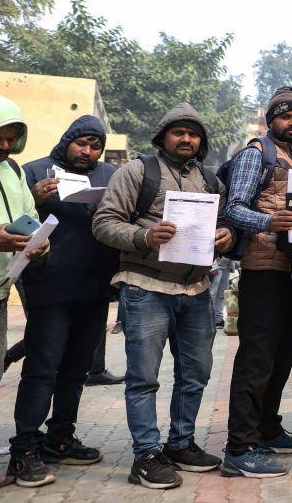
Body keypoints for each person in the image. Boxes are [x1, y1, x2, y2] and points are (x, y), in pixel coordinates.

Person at [92, 103, 233, 489]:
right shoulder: (137, 171)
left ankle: (181, 444)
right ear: (162, 137)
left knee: (196, 373)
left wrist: (227, 237)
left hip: (198, 289)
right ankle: (145, 455)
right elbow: (104, 223)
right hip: (146, 287)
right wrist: (143, 236)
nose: (187, 139)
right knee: (143, 378)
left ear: (201, 141)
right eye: (178, 132)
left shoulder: (209, 180)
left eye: (194, 134)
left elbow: (221, 225)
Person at [9, 116, 120, 486]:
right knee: (43, 368)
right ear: (66, 141)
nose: (88, 152)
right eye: (82, 143)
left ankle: (60, 438)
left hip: (94, 289)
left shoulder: (109, 174)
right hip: (49, 289)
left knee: (76, 370)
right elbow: (11, 223)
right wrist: (36, 201)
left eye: (95, 146)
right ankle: (25, 447)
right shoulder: (33, 171)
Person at [222, 86, 292, 477]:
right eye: (284, 115)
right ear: (270, 119)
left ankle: (268, 428)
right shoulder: (255, 154)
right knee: (256, 360)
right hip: (263, 269)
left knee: (282, 357)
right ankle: (239, 447)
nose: (291, 122)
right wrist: (266, 222)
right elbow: (234, 208)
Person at [0, 91, 49, 489]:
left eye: (11, 137)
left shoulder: (12, 171)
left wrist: (36, 240)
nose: (4, 145)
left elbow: (27, 213)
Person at [209, 256, 236, 329]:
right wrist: (213, 266)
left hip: (226, 266)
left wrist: (232, 265)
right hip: (216, 266)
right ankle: (209, 319)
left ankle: (218, 320)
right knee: (212, 294)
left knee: (222, 294)